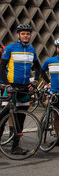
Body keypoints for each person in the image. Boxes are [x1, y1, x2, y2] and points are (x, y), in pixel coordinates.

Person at [0, 24, 46, 155]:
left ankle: (16, 147)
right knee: (3, 116)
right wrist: (8, 85)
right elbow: (1, 67)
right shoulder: (10, 48)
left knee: (21, 118)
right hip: (12, 86)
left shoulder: (31, 50)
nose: (26, 36)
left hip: (25, 87)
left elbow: (38, 67)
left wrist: (36, 81)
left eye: (27, 34)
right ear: (18, 35)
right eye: (23, 33)